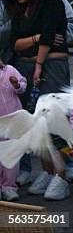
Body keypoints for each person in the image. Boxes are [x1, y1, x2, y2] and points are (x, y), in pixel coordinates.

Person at [5, 0, 72, 200]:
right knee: (34, 124)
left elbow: (50, 32)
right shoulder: (18, 8)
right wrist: (37, 39)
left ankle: (62, 174)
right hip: (25, 67)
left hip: (51, 66)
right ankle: (48, 170)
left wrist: (39, 63)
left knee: (52, 120)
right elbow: (15, 43)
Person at [0, 59, 27, 202]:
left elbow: (23, 85)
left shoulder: (10, 69)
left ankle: (9, 187)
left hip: (13, 120)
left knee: (12, 156)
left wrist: (17, 84)